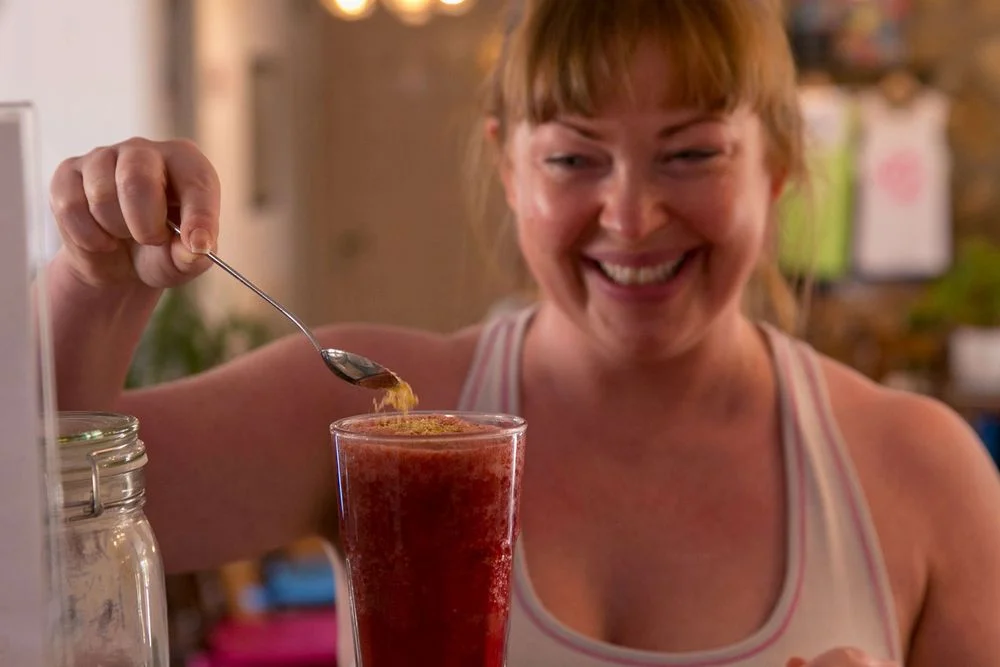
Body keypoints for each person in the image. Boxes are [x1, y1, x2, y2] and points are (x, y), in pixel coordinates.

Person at [44, 1, 1000, 665]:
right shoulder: (380, 418)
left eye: (692, 153)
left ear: (778, 166)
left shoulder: (923, 472)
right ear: (510, 170)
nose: (632, 216)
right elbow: (35, 536)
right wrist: (93, 278)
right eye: (575, 158)